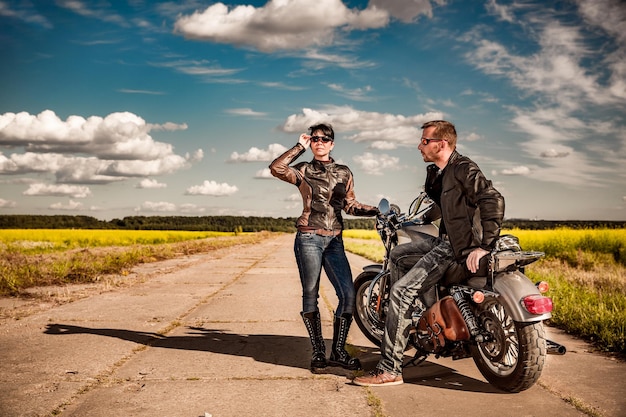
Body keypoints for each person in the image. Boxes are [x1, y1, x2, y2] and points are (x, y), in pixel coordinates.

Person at [353, 120, 504, 386]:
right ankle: (417, 317)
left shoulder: (463, 168)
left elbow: (492, 199)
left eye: (425, 141)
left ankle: (390, 369)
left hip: (456, 247)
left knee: (400, 291)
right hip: (447, 240)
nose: (419, 146)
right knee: (399, 255)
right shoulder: (443, 172)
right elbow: (440, 206)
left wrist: (484, 246)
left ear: (442, 144)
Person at [269, 123, 378, 373]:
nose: (319, 142)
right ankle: (318, 352)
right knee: (311, 293)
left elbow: (350, 206)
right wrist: (299, 146)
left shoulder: (344, 172)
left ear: (332, 144)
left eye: (324, 139)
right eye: (315, 138)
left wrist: (376, 210)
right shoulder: (304, 169)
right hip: (309, 237)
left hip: (335, 240)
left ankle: (338, 351)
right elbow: (276, 168)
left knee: (348, 294)